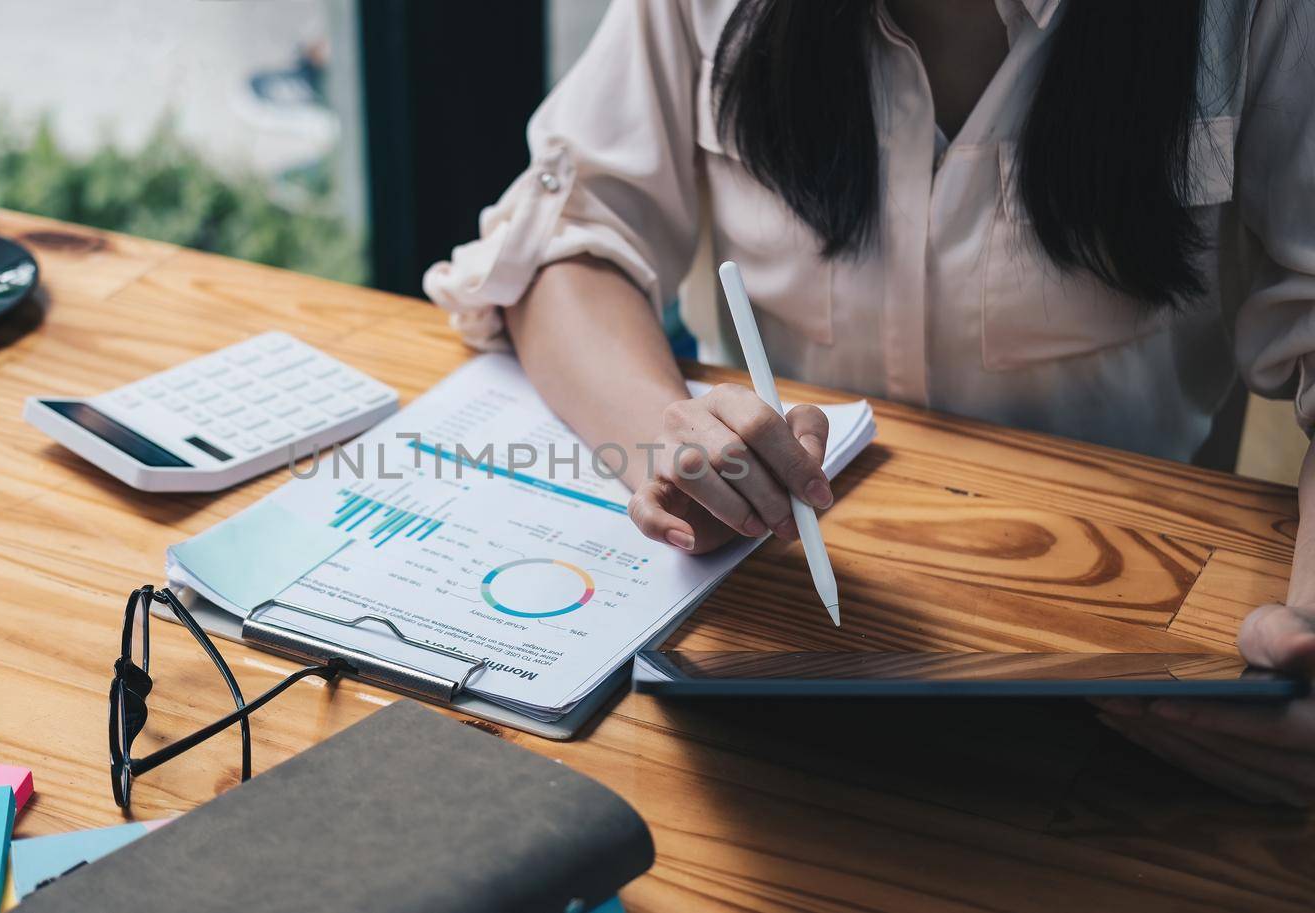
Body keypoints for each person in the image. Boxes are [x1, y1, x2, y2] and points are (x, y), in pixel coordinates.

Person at [423, 0, 1315, 805]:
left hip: (1129, 667)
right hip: (774, 635)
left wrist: (1307, 638)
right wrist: (675, 442)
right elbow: (568, 239)